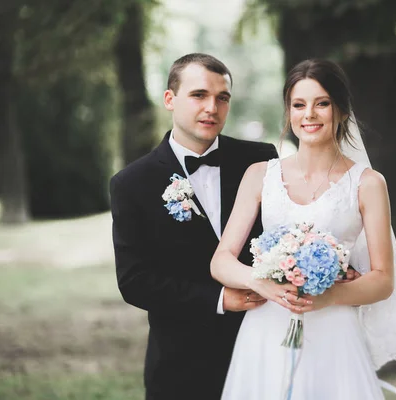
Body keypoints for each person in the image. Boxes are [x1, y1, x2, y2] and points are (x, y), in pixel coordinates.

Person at [211, 59, 396, 399]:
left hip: (333, 333)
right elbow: (221, 260)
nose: (309, 114)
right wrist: (262, 283)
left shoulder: (368, 184)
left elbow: (383, 279)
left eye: (321, 103)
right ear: (288, 112)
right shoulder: (260, 175)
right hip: (266, 329)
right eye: (299, 105)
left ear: (340, 110)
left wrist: (327, 296)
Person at [110, 53, 285, 399]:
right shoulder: (132, 183)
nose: (212, 107)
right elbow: (134, 281)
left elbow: (289, 230)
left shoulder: (261, 161)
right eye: (199, 95)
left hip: (262, 349)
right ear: (170, 99)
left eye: (222, 98)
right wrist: (220, 298)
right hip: (181, 365)